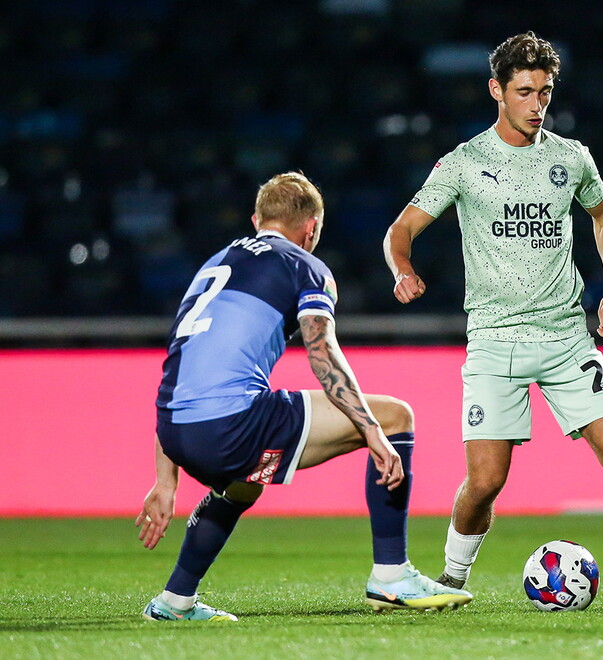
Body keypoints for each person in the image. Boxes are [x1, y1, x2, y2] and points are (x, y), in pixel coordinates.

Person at [384, 32, 603, 611]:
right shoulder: (465, 163)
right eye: (524, 92)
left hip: (565, 337)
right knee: (486, 480)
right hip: (495, 341)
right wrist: (402, 267)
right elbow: (400, 230)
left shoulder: (571, 156)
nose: (536, 103)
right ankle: (450, 581)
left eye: (544, 92)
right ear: (497, 91)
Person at [137, 171, 472, 621]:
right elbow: (321, 351)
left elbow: (181, 365)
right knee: (395, 416)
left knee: (244, 483)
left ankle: (175, 602)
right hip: (231, 425)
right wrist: (370, 430)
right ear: (311, 227)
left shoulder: (213, 265)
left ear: (257, 219)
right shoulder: (303, 265)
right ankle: (392, 576)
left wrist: (166, 480)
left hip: (175, 430)